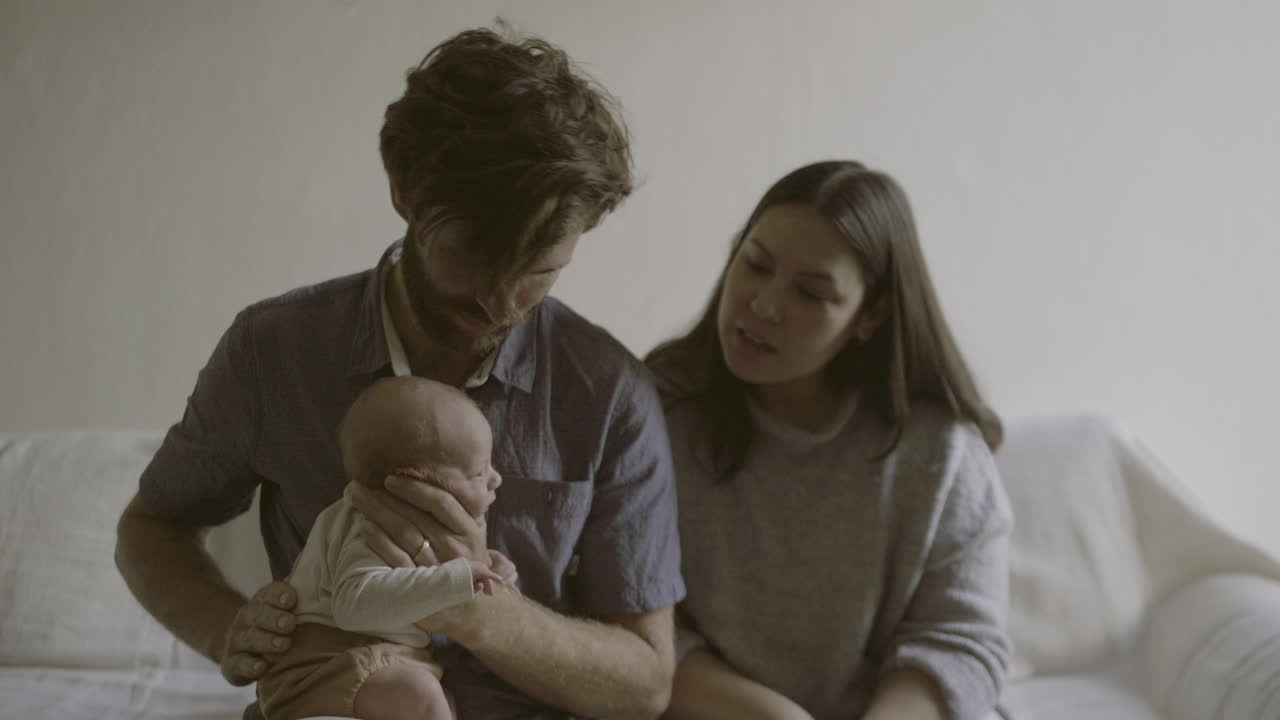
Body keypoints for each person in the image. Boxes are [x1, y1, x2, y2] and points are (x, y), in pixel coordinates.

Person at [115, 24, 683, 720]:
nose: (500, 303)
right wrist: (229, 628)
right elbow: (151, 528)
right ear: (404, 193)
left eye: (539, 271)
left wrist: (473, 606)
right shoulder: (275, 351)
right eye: (474, 254)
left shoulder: (609, 392)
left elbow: (645, 683)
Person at [646, 160, 1013, 720]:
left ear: (870, 316)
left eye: (811, 293)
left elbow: (960, 643)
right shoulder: (657, 414)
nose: (764, 305)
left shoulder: (940, 450)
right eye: (755, 265)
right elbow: (631, 619)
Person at [258, 376, 511, 720]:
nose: (497, 479)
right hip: (325, 666)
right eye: (480, 472)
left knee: (444, 701)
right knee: (422, 697)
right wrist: (453, 579)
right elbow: (354, 603)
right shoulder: (368, 527)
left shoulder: (412, 523)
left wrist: (491, 570)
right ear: (417, 482)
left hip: (375, 660)